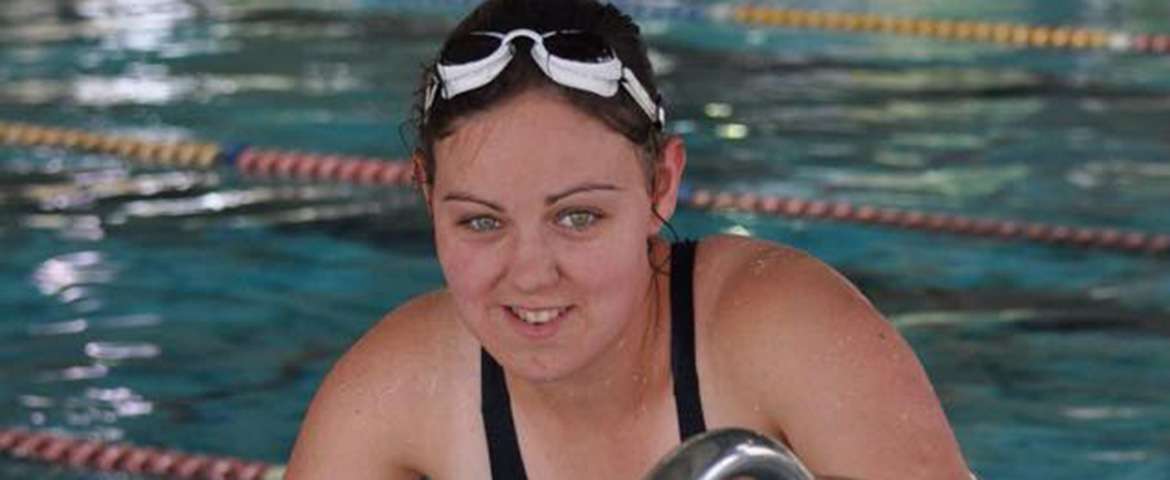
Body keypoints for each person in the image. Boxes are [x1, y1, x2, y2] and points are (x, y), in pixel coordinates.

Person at [286, 0, 971, 478]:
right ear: (427, 195)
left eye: (578, 217)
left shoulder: (783, 336)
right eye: (481, 222)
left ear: (660, 187)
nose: (529, 274)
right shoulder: (391, 395)